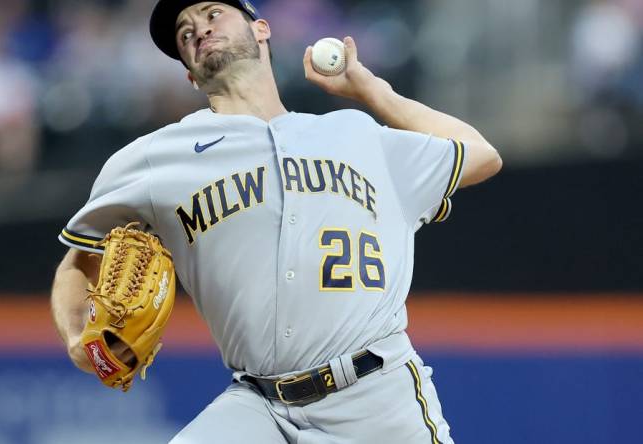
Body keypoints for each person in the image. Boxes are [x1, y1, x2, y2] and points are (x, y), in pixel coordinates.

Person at [51, 1, 502, 442]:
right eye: (185, 34)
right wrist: (76, 338)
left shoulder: (356, 134)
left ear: (261, 29)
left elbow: (481, 155)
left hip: (377, 396)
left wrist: (372, 91)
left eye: (213, 14)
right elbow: (77, 261)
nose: (199, 30)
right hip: (258, 405)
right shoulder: (152, 159)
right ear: (190, 73)